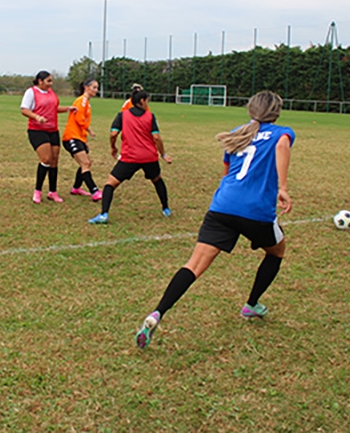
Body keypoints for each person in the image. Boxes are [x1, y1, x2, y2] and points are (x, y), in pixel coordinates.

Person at [134, 91, 294, 349]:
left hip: (222, 206)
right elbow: (282, 146)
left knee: (194, 265)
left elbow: (226, 174)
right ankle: (251, 305)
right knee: (277, 251)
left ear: (250, 110)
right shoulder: (281, 133)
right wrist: (282, 187)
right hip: (256, 211)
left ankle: (157, 313)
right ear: (276, 112)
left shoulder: (237, 133)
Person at [88, 90, 172, 224]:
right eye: (147, 101)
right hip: (149, 157)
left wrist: (113, 147)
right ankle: (166, 209)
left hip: (129, 157)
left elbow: (113, 134)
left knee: (110, 184)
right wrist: (163, 154)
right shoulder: (150, 116)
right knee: (157, 180)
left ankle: (104, 214)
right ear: (143, 101)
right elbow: (156, 137)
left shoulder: (122, 115)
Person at [20, 71, 76, 203]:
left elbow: (53, 108)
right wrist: (37, 117)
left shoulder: (51, 93)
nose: (51, 83)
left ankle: (52, 192)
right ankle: (37, 191)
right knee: (46, 159)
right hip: (37, 130)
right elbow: (24, 109)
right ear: (40, 81)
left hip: (53, 130)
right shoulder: (31, 92)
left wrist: (68, 108)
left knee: (54, 160)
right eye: (48, 81)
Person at [62, 78, 103, 201]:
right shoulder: (82, 101)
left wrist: (84, 140)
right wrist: (89, 130)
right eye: (94, 87)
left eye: (97, 87)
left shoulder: (86, 102)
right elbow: (80, 120)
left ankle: (76, 188)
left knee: (86, 163)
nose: (96, 90)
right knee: (85, 163)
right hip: (71, 137)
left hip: (79, 137)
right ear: (86, 87)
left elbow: (81, 122)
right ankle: (94, 191)